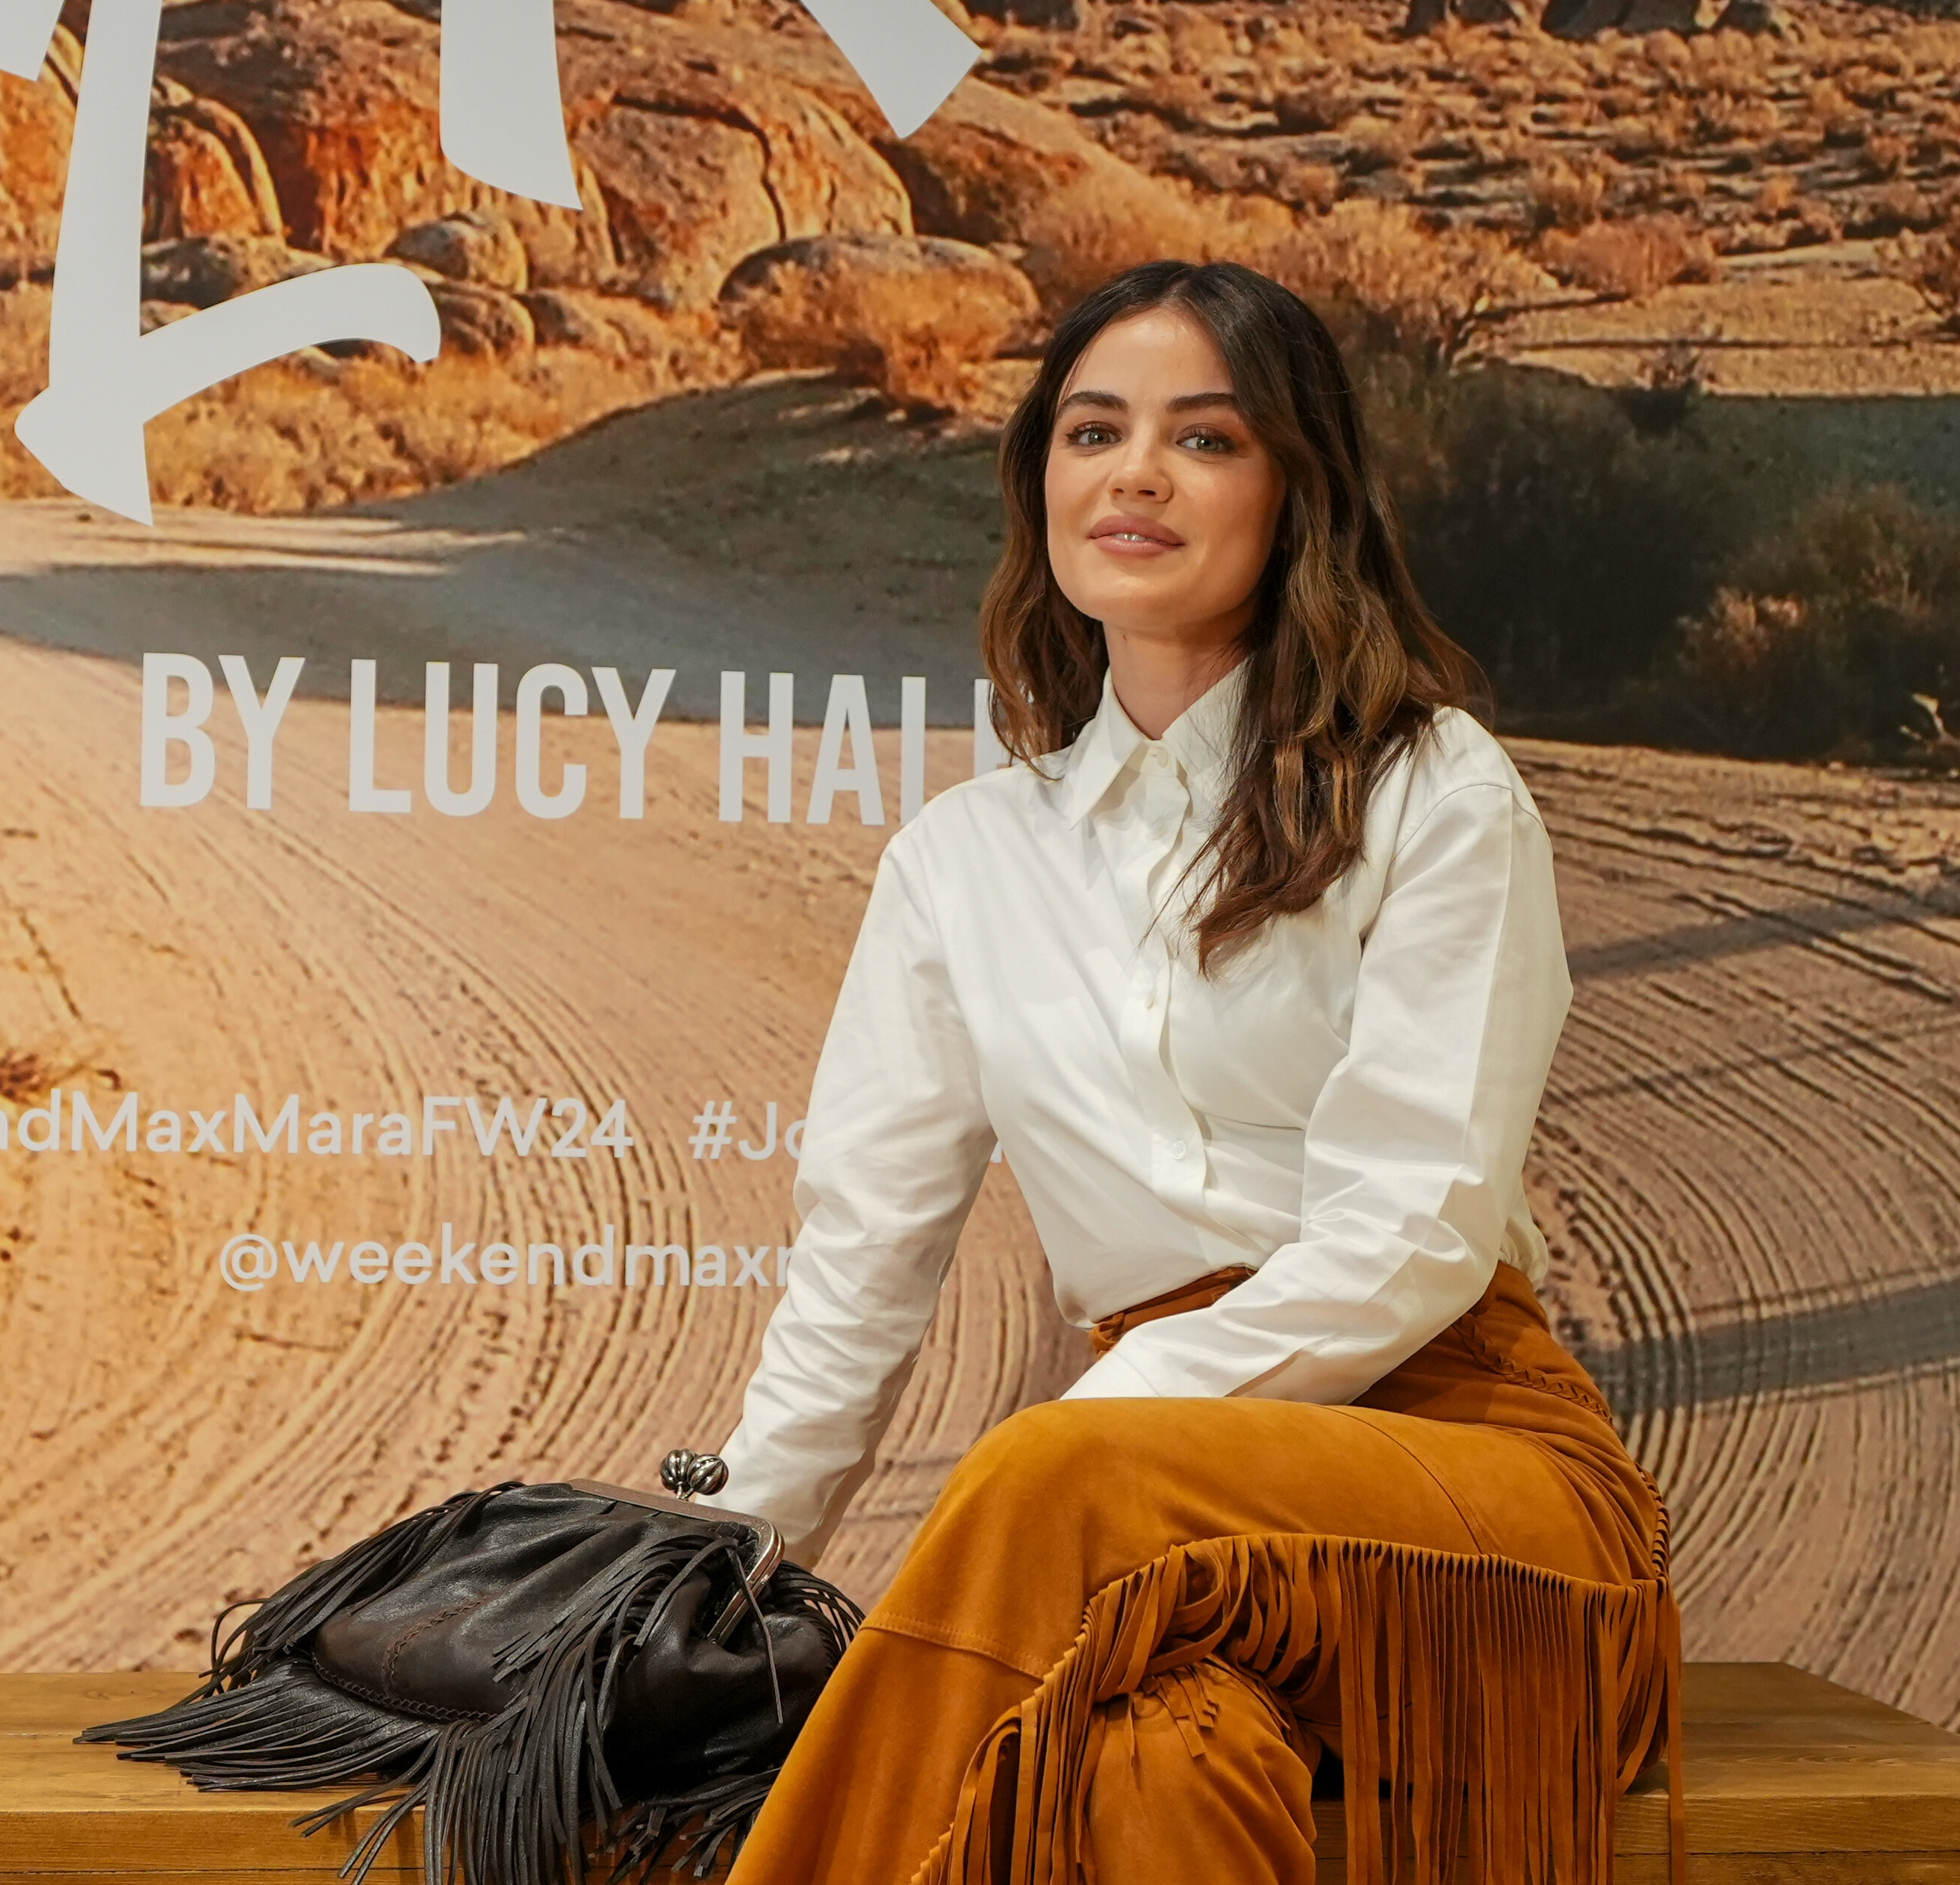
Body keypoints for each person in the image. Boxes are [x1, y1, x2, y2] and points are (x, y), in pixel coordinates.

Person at [706, 261, 1681, 1885]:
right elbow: (861, 1262)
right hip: (1143, 1538)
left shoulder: (1434, 791)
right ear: (1040, 482)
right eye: (1093, 431)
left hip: (1473, 1498)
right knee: (1153, 1761)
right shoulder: (961, 859)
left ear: (1298, 492)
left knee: (1056, 1478)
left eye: (1205, 437)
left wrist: (1101, 1432)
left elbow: (1414, 1231)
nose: (1136, 473)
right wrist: (721, 1560)